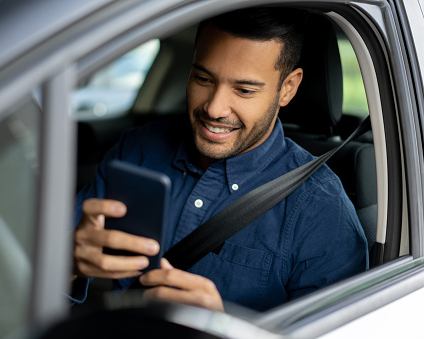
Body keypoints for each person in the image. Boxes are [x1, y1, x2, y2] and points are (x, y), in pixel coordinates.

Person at [71, 8, 369, 312]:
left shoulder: (322, 212)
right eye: (203, 78)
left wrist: (222, 327)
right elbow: (39, 274)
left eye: (244, 90)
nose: (214, 108)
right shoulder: (136, 151)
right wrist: (71, 264)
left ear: (287, 88)